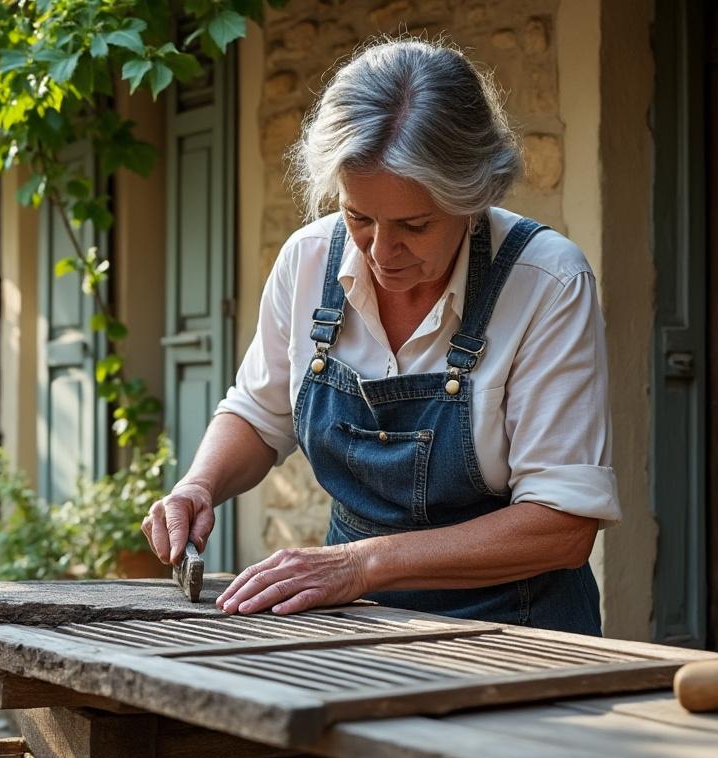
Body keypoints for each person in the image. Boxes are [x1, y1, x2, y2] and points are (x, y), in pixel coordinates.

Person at [140, 38, 620, 635]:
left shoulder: (546, 282)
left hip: (518, 630)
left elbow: (562, 526)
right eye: (358, 217)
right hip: (353, 625)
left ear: (473, 199)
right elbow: (260, 414)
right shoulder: (309, 260)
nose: (380, 252)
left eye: (414, 226)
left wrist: (361, 563)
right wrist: (199, 483)